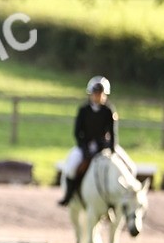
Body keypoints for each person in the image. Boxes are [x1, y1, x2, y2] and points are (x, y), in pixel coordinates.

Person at [58, 75, 135, 206]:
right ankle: (69, 195)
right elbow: (77, 132)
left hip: (105, 146)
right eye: (96, 93)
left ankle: (124, 199)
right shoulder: (83, 110)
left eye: (101, 94)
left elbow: (113, 133)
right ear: (91, 94)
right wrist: (84, 147)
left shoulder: (109, 110)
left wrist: (111, 149)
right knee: (71, 168)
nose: (98, 96)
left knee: (130, 168)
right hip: (85, 145)